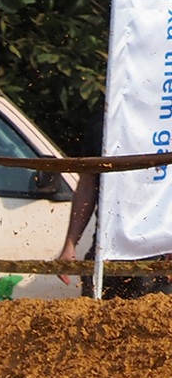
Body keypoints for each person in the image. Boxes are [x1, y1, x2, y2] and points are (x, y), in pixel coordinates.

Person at [57, 105, 171, 298]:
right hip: (108, 251)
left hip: (160, 253)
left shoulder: (164, 114)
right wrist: (70, 245)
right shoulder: (106, 119)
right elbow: (87, 185)